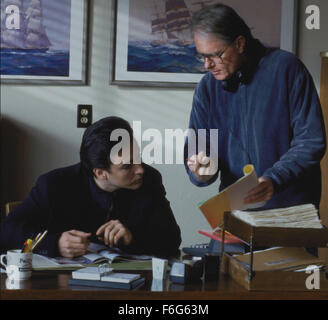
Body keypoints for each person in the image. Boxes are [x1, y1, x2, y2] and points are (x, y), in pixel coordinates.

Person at [185, 4, 326, 209]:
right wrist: (201, 172)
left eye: (214, 55)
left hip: (290, 210)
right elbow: (198, 150)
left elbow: (311, 141)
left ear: (240, 43)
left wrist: (274, 179)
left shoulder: (287, 69)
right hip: (237, 211)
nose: (207, 65)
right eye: (202, 56)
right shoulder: (207, 88)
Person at [0, 117, 181, 258]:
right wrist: (55, 243)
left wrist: (131, 237)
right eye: (128, 166)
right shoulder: (54, 185)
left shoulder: (150, 179)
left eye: (138, 158)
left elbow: (172, 240)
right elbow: (8, 232)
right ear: (100, 173)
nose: (140, 169)